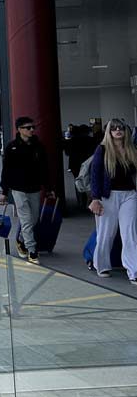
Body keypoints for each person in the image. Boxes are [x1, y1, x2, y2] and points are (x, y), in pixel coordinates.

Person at [89, 118, 137, 280]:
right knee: (106, 233)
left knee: (130, 233)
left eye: (121, 128)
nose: (118, 131)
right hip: (108, 196)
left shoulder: (131, 149)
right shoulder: (102, 149)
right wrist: (95, 198)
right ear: (109, 132)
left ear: (125, 131)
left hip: (129, 195)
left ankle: (133, 271)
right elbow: (94, 175)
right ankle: (101, 265)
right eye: (114, 128)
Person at [0, 116, 50, 264]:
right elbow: (6, 170)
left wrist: (48, 187)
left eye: (33, 127)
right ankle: (32, 251)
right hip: (18, 189)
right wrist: (4, 192)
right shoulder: (12, 147)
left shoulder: (38, 146)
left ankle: (20, 240)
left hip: (34, 188)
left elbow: (44, 168)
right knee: (26, 220)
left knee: (34, 219)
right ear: (20, 129)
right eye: (28, 127)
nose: (32, 130)